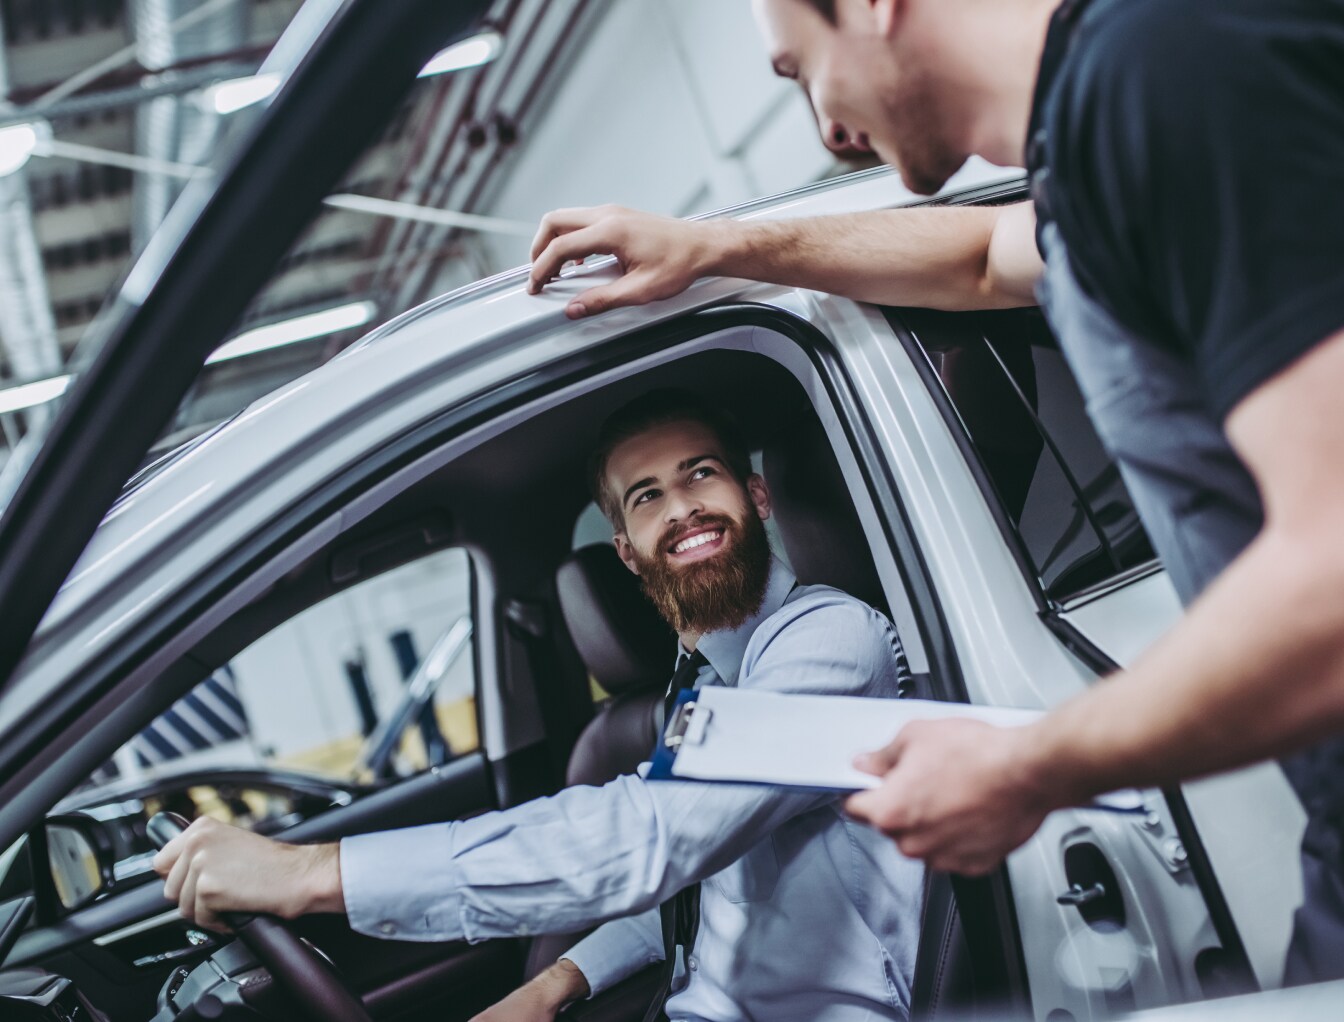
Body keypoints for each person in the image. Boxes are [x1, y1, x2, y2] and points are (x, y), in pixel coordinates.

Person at [525, 0, 1344, 982]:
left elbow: (1331, 580)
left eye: (799, 70)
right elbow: (981, 255)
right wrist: (715, 248)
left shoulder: (1163, 69)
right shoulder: (1094, 142)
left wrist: (1031, 765)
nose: (823, 124)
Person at [153, 389, 924, 1022]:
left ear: (755, 496)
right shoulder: (706, 686)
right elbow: (693, 889)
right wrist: (556, 982)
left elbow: (650, 837)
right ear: (626, 550)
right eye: (647, 496)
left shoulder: (830, 644)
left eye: (701, 475)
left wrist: (309, 874)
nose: (681, 508)